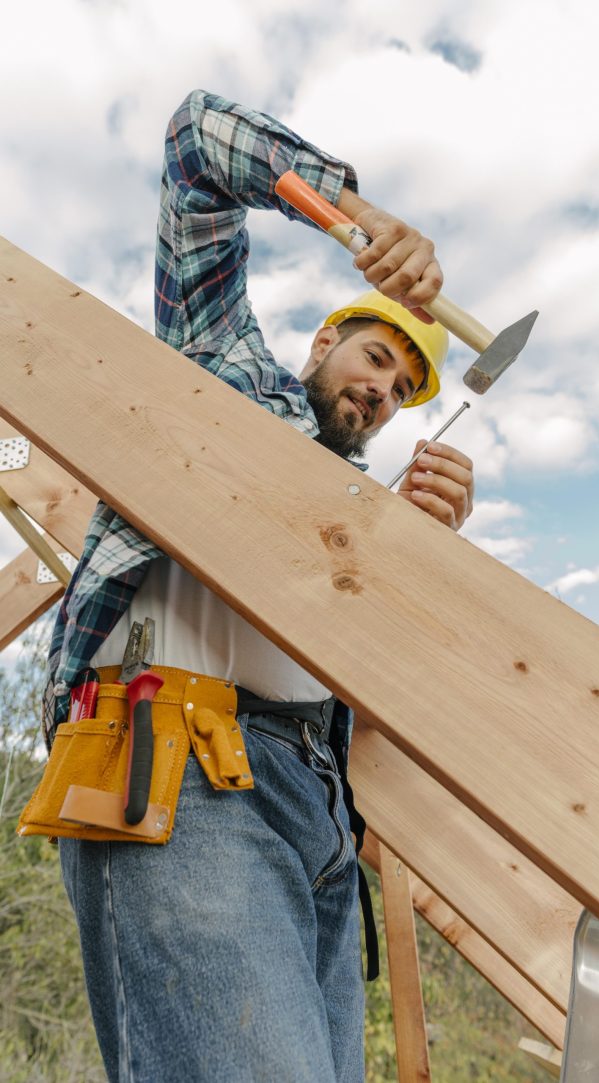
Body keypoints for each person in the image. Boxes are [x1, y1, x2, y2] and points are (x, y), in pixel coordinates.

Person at [47, 90, 474, 1083]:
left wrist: (421, 559)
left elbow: (388, 700)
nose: (383, 387)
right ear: (325, 344)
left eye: (404, 387)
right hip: (183, 767)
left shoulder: (361, 521)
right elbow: (197, 142)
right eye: (377, 354)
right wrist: (352, 214)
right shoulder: (222, 374)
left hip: (322, 820)